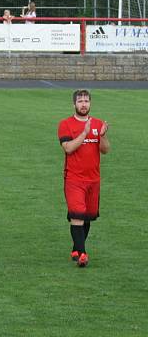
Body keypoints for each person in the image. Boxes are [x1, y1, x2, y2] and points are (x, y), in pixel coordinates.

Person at [57, 89, 110, 268]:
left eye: (86, 101)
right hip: (73, 179)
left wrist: (101, 136)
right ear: (74, 104)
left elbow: (105, 150)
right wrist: (84, 134)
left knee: (87, 217)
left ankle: (76, 248)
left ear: (90, 103)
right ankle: (83, 254)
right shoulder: (65, 124)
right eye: (80, 101)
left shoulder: (98, 123)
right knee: (77, 216)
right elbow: (68, 148)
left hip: (93, 180)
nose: (84, 104)